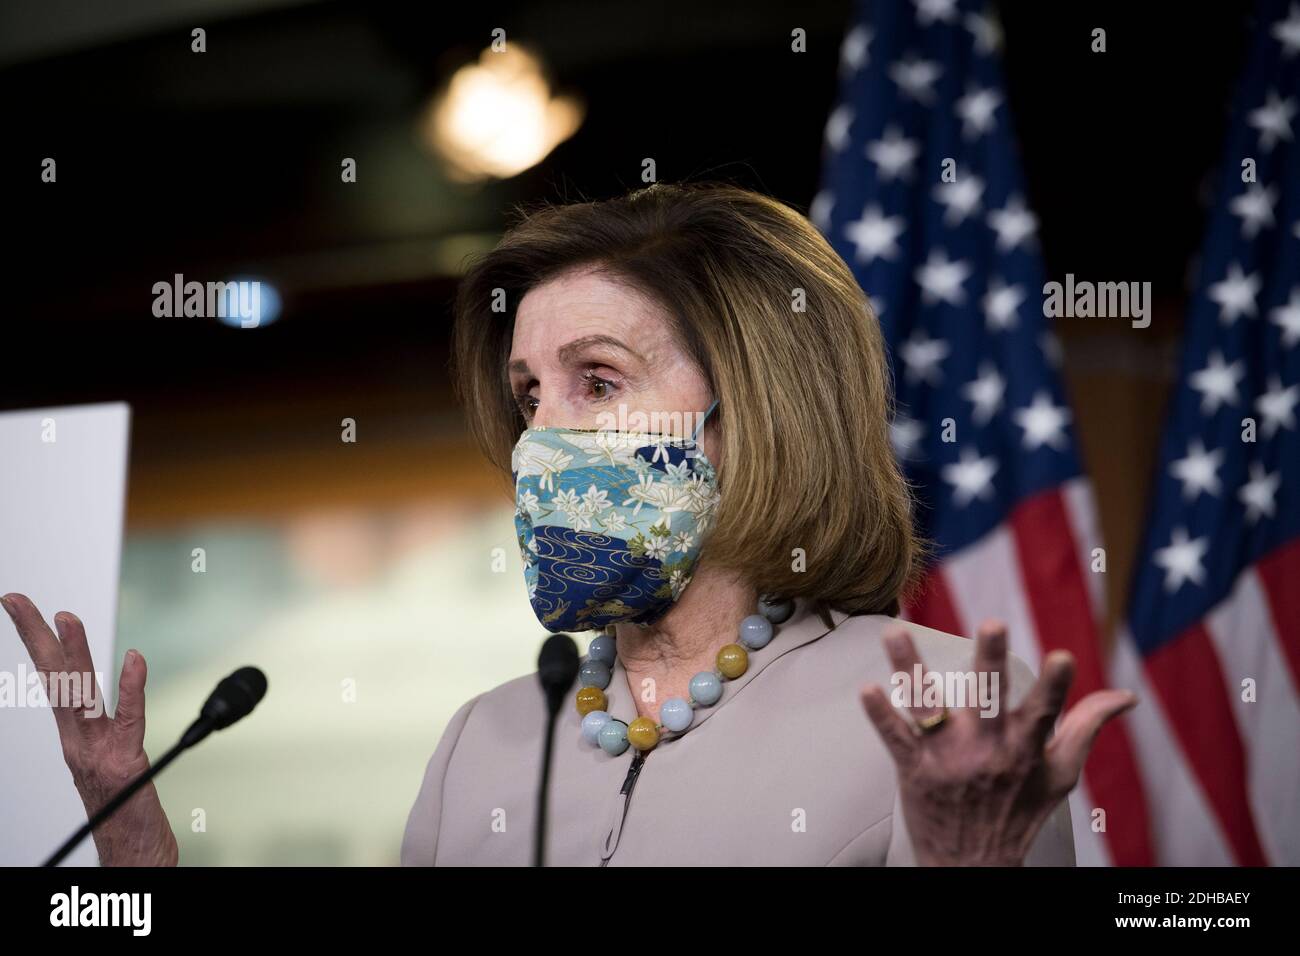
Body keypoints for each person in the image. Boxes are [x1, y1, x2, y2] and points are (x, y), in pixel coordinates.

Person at [2, 182, 1136, 866]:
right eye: (530, 394)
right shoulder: (479, 742)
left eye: (597, 379)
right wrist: (132, 848)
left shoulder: (942, 710)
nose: (541, 435)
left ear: (752, 417)